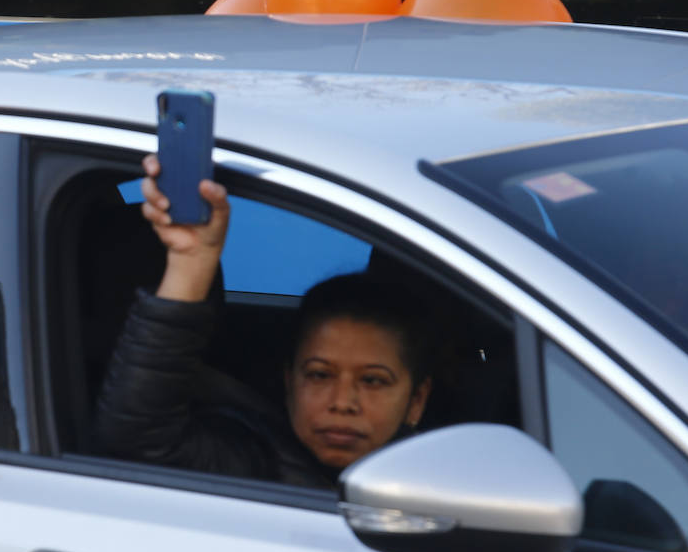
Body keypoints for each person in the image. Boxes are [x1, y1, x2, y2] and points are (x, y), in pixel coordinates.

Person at [96, 155, 435, 488]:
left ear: (416, 401)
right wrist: (191, 262)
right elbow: (135, 437)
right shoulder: (257, 460)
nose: (343, 402)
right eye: (319, 375)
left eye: (373, 381)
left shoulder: (448, 484)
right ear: (289, 383)